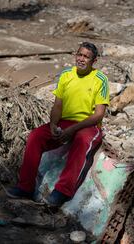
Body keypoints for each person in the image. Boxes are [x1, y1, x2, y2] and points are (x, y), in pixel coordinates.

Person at [6, 42, 110, 207]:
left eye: (86, 57)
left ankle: (62, 192)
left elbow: (98, 114)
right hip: (65, 121)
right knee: (36, 136)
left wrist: (72, 130)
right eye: (80, 55)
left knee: (82, 141)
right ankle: (25, 187)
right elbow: (57, 105)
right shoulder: (66, 74)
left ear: (94, 61)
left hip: (88, 125)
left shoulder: (100, 79)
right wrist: (54, 124)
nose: (81, 59)